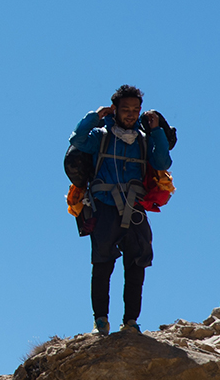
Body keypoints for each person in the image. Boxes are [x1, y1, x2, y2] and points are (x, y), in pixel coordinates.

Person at [66, 85, 172, 336]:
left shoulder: (144, 140)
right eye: (125, 109)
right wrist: (94, 117)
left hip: (134, 207)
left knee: (137, 264)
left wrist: (156, 131)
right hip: (104, 206)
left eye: (135, 110)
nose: (131, 114)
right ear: (115, 110)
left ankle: (131, 322)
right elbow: (77, 140)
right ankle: (100, 321)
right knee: (102, 264)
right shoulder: (100, 137)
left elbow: (163, 162)